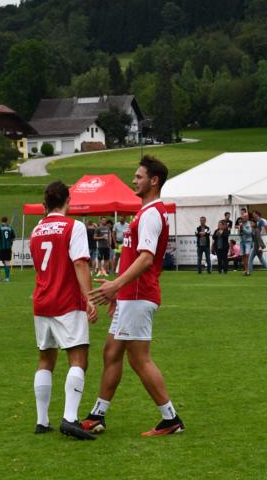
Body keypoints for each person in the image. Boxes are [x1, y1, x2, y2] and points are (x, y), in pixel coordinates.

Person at [84, 155, 185, 436]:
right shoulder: (147, 212)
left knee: (139, 359)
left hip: (139, 294)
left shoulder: (151, 213)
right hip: (131, 295)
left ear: (154, 181)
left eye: (139, 177)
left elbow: (146, 258)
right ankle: (97, 415)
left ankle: (171, 419)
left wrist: (116, 285)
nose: (133, 181)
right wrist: (120, 292)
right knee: (111, 352)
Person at [29, 180, 99, 440]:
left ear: (45, 204)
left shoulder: (37, 229)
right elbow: (80, 263)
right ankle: (70, 418)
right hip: (67, 301)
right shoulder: (74, 226)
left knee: (45, 360)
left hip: (41, 301)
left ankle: (42, 420)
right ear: (68, 201)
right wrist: (90, 298)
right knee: (78, 359)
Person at [0, 216, 16, 282]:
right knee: (7, 262)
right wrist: (9, 242)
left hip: (0, 247)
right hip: (8, 248)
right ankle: (7, 278)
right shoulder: (10, 228)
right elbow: (13, 238)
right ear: (7, 220)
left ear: (1, 220)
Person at [238, 211, 253, 275]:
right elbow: (239, 233)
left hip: (248, 241)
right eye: (243, 217)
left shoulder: (249, 223)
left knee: (247, 255)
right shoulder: (241, 224)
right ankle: (245, 270)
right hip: (242, 241)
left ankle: (248, 270)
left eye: (245, 217)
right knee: (243, 256)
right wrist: (240, 230)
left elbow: (249, 232)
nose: (243, 218)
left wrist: (243, 228)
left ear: (247, 217)